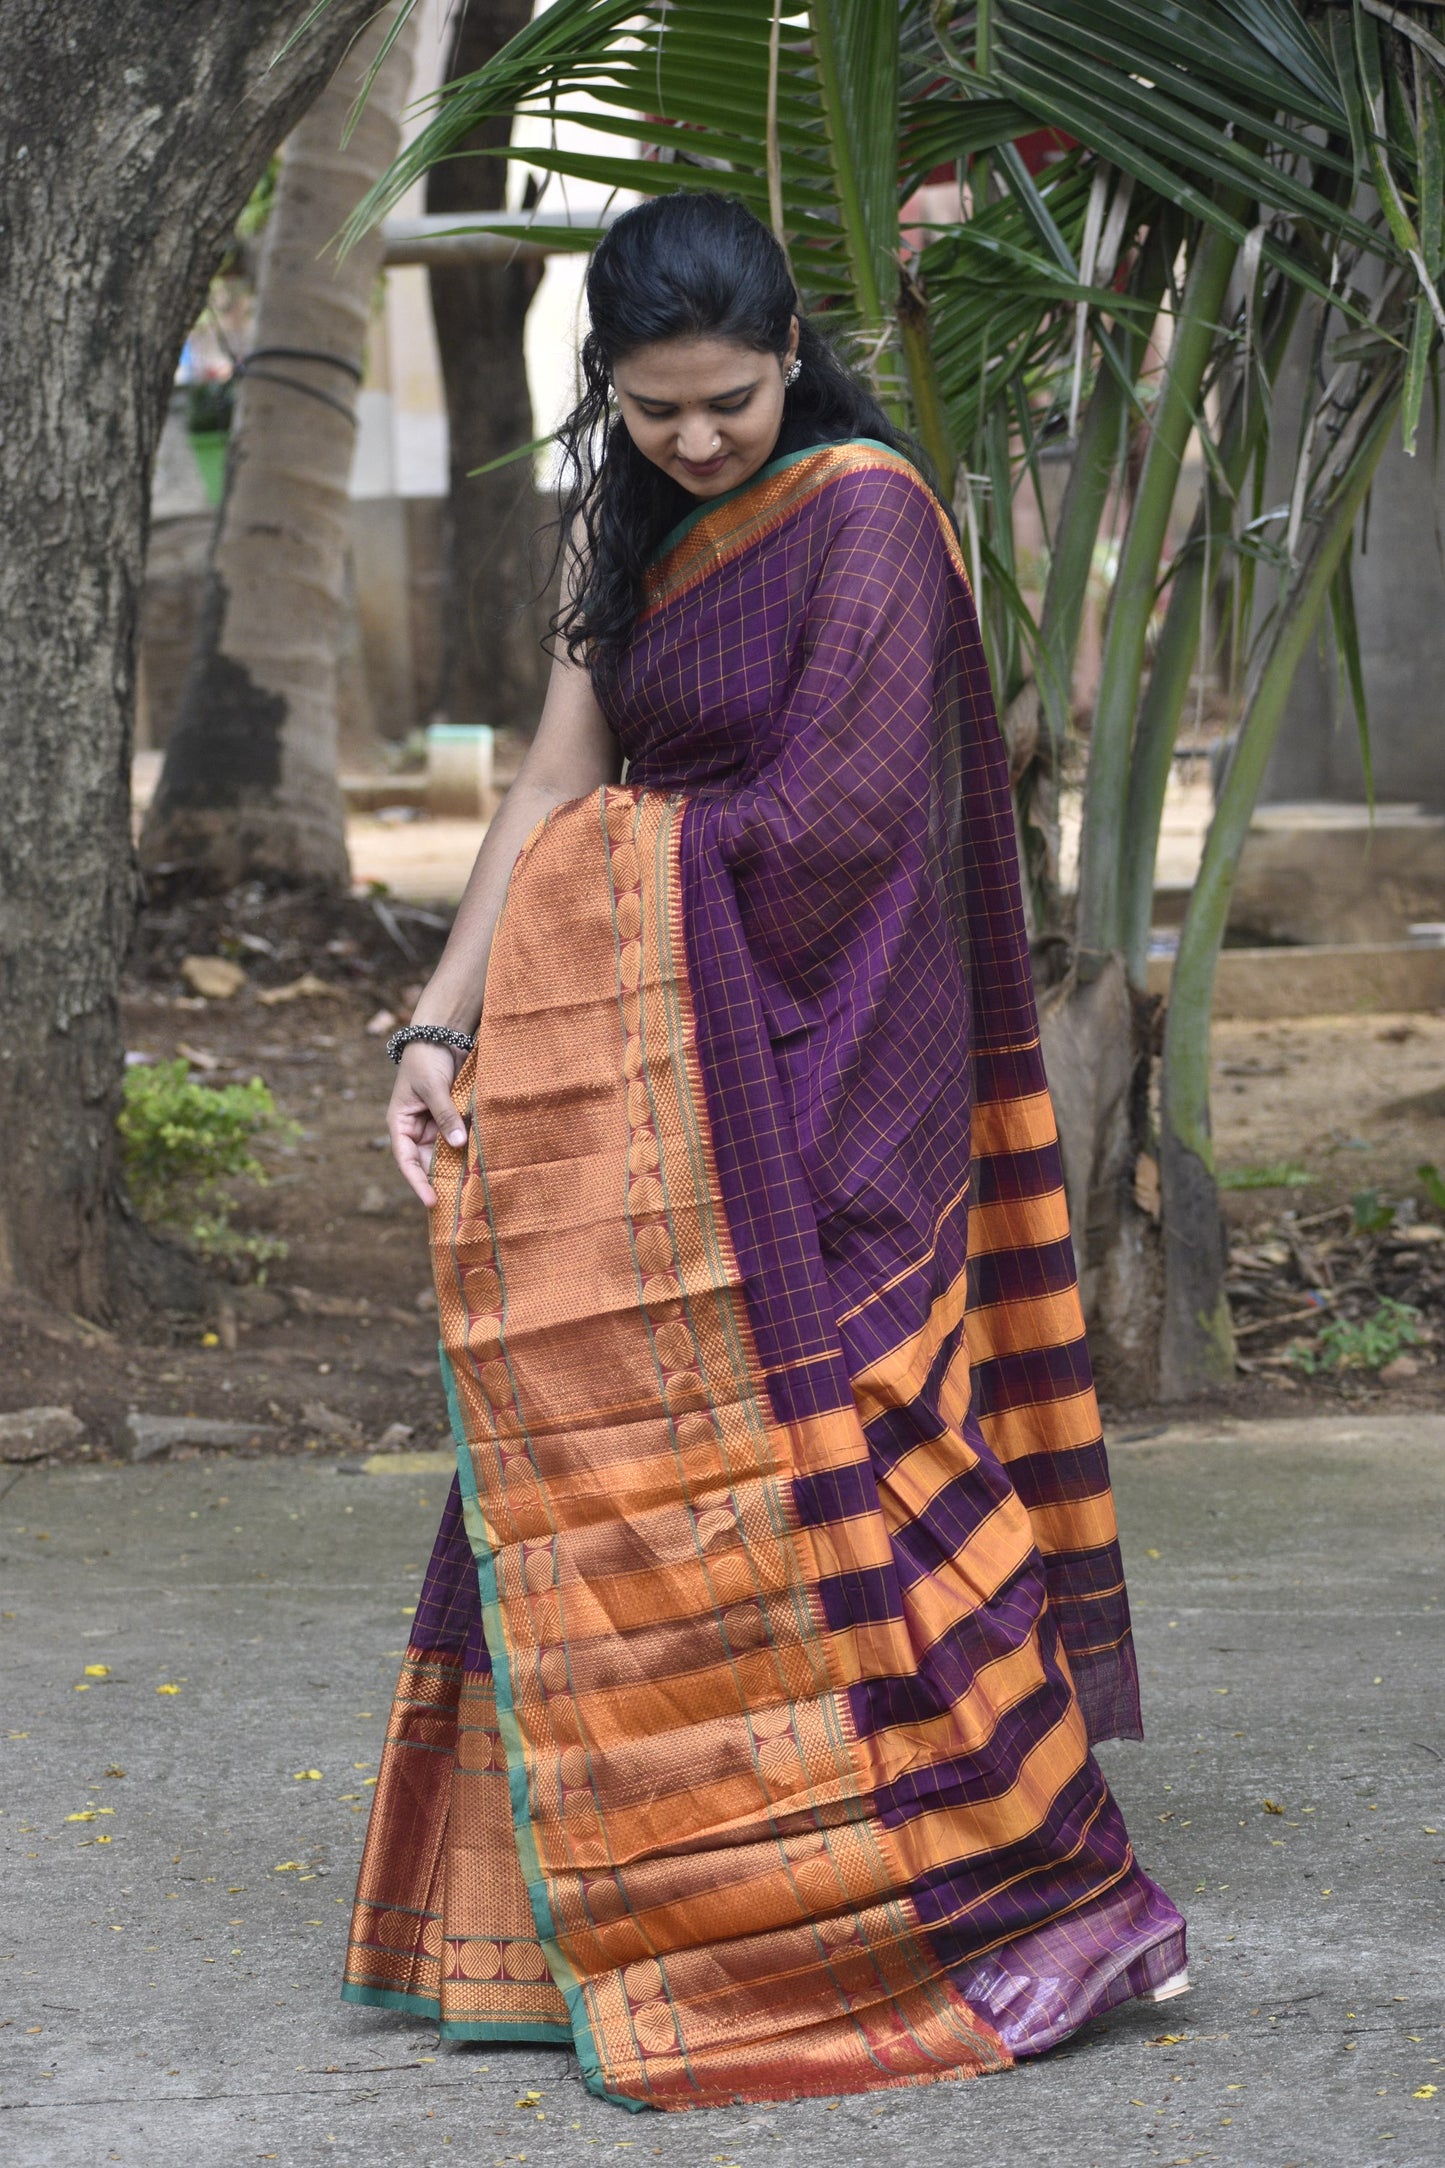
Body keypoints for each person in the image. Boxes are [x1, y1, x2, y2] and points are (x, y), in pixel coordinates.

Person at [341, 191, 1186, 2110]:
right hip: (653, 1050)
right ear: (610, 396)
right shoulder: (624, 521)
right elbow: (560, 781)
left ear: (790, 350)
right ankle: (655, 1906)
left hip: (833, 1049)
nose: (697, 443)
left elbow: (841, 826)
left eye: (724, 403)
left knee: (863, 1445)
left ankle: (996, 1904)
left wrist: (619, 900)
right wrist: (442, 1025)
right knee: (599, 1432)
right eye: (654, 413)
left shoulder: (870, 509)